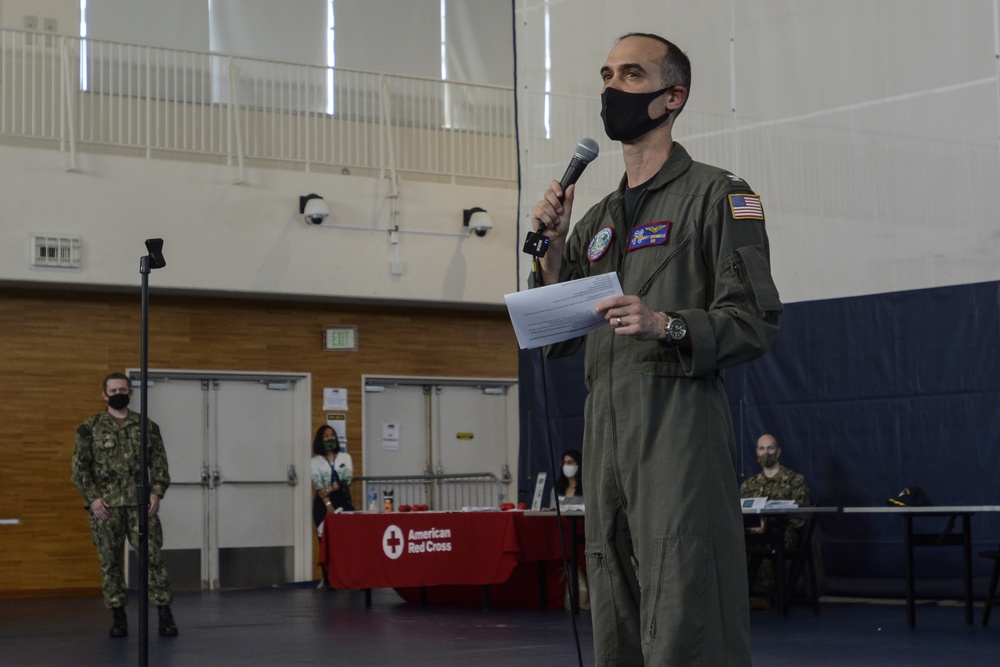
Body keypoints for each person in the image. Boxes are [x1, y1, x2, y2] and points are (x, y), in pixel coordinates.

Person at [529, 32, 782, 665]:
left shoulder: (720, 196)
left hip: (678, 432)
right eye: (608, 75)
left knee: (686, 600)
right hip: (606, 434)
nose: (613, 87)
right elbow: (557, 341)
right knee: (613, 598)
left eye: (632, 75)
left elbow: (755, 319)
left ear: (673, 97)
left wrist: (668, 324)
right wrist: (554, 258)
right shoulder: (595, 222)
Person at [70, 372, 178, 638]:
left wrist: (156, 493)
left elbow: (160, 465)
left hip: (142, 506)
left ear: (130, 393)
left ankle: (165, 615)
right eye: (113, 390)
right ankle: (118, 617)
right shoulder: (90, 427)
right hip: (105, 509)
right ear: (104, 395)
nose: (119, 393)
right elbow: (79, 469)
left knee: (153, 560)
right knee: (110, 564)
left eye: (123, 389)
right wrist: (93, 498)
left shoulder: (147, 427)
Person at [740, 433, 811, 606]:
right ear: (757, 452)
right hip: (752, 532)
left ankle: (763, 593)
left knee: (771, 539)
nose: (767, 452)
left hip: (784, 533)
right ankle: (733, 596)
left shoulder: (795, 480)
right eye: (762, 448)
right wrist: (753, 525)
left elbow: (800, 516)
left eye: (770, 448)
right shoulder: (749, 485)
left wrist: (769, 524)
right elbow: (740, 512)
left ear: (778, 451)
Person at [309, 425, 354, 588]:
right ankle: (328, 580)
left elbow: (346, 480)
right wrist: (328, 504)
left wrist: (334, 487)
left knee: (348, 542)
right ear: (320, 440)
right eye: (326, 436)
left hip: (343, 501)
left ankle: (349, 578)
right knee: (326, 544)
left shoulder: (345, 458)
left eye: (332, 435)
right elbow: (319, 485)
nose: (330, 439)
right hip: (322, 504)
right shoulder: (314, 462)